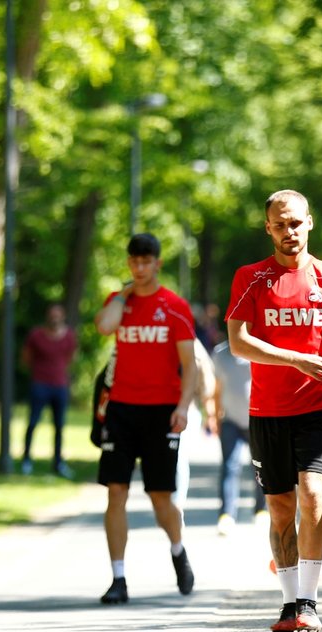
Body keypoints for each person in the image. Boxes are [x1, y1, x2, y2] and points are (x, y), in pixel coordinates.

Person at [226, 188, 322, 632]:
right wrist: (294, 358)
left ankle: (309, 600)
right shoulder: (251, 277)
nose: (289, 231)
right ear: (269, 227)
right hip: (267, 410)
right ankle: (289, 604)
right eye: (280, 224)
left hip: (318, 406)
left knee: (312, 493)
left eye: (296, 223)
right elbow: (238, 341)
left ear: (310, 222)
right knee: (280, 507)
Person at [93, 233, 198, 605]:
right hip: (121, 408)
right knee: (116, 491)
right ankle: (118, 578)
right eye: (134, 261)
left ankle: (177, 549)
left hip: (161, 411)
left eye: (146, 261)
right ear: (129, 264)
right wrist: (122, 295)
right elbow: (105, 327)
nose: (139, 268)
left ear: (157, 263)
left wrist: (183, 407)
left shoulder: (174, 307)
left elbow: (190, 365)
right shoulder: (118, 303)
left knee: (159, 497)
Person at [212, 338, 266, 534]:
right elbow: (216, 388)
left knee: (261, 466)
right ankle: (226, 515)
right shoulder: (220, 354)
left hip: (257, 418)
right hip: (230, 419)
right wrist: (215, 415)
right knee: (229, 466)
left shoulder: (260, 349)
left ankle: (262, 510)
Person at [20, 303, 78, 478]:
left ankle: (58, 463)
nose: (54, 318)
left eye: (57, 315)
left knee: (59, 426)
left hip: (59, 385)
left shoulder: (68, 336)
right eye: (52, 314)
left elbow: (72, 357)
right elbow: (26, 357)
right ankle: (26, 460)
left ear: (63, 316)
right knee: (33, 422)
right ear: (47, 316)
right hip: (39, 384)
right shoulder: (36, 335)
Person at [173, 337, 217, 510]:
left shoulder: (194, 345)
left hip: (187, 409)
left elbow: (207, 381)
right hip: (159, 408)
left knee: (179, 459)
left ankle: (177, 504)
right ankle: (166, 500)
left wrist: (210, 412)